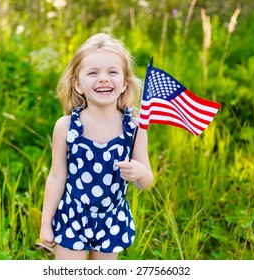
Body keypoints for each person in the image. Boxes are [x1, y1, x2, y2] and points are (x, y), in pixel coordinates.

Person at [39, 33, 153, 260]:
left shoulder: (134, 127)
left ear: (124, 83)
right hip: (73, 216)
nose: (103, 79)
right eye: (93, 73)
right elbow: (56, 177)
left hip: (112, 218)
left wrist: (139, 172)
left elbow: (146, 182)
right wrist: (45, 223)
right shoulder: (66, 127)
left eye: (112, 72)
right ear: (78, 85)